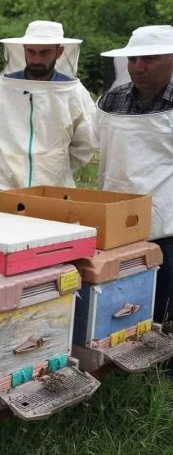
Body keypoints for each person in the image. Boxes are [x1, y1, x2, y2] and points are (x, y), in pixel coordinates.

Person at [96, 25, 173, 323]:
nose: (138, 68)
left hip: (165, 226)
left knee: (163, 309)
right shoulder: (111, 100)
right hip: (115, 219)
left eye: (150, 59)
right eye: (133, 59)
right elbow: (99, 146)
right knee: (119, 303)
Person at [0, 20, 96, 210]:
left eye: (44, 53)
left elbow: (85, 143)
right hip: (5, 194)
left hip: (54, 196)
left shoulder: (74, 92)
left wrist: (55, 164)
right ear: (24, 49)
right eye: (31, 52)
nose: (36, 60)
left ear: (59, 52)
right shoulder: (0, 89)